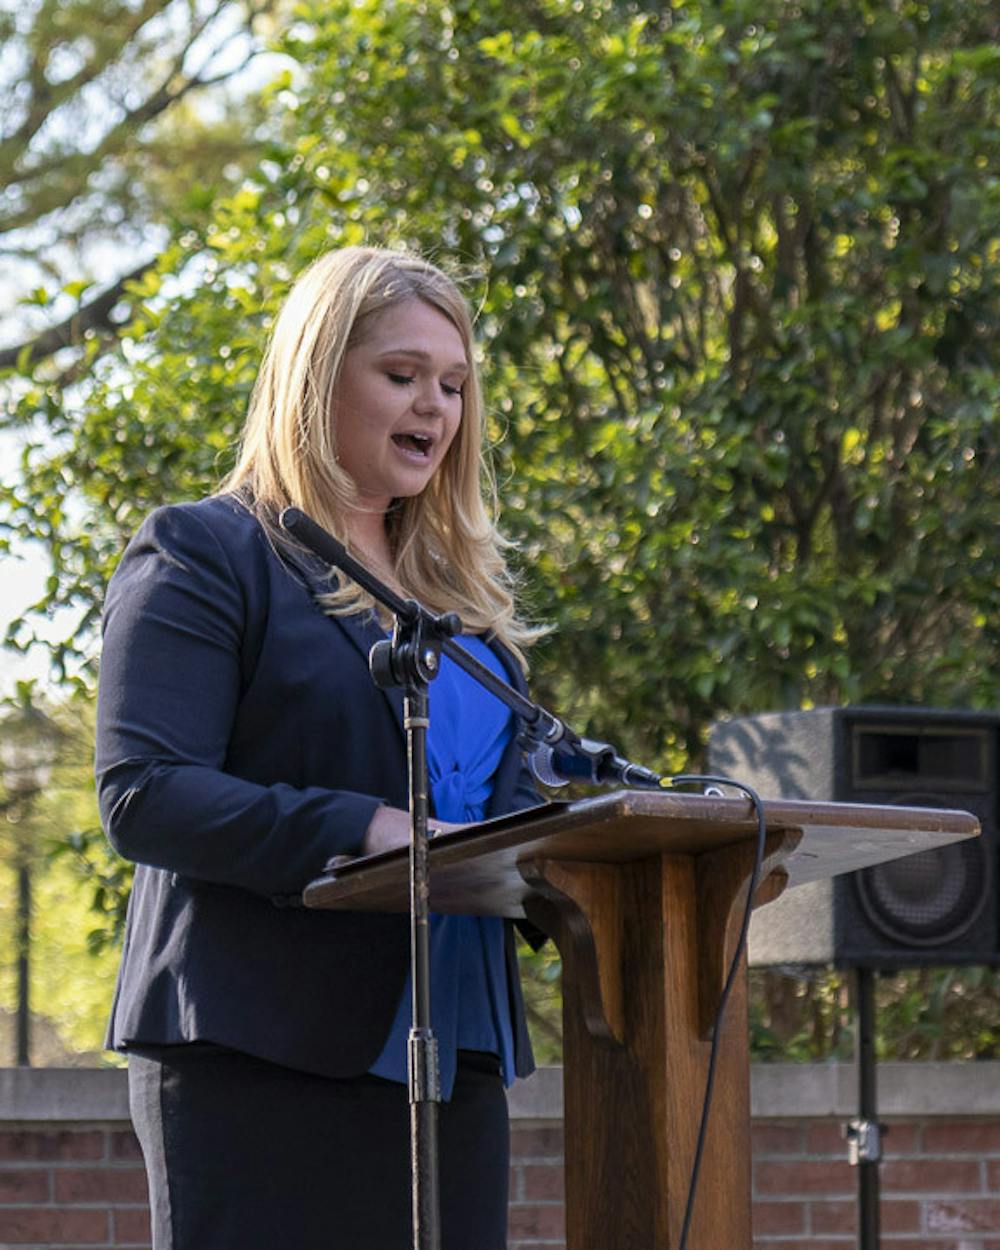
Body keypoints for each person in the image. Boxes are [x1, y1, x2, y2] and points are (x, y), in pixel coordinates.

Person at [95, 246, 545, 1250]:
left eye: (454, 384)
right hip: (263, 1052)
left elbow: (504, 807)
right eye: (401, 374)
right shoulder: (208, 552)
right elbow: (146, 792)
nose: (433, 404)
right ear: (316, 374)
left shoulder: (465, 615)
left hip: (454, 1056)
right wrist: (362, 827)